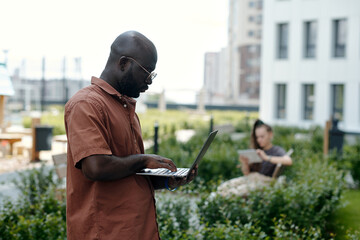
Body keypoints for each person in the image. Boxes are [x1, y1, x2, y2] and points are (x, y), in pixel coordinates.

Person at [64, 31, 196, 240]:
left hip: (136, 230)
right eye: (147, 72)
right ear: (124, 63)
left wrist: (167, 180)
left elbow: (129, 173)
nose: (149, 81)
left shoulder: (124, 107)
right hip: (106, 232)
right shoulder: (87, 104)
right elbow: (96, 167)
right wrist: (143, 159)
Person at [216, 119, 292, 197]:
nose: (259, 140)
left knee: (234, 192)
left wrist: (266, 157)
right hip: (250, 178)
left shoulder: (276, 150)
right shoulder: (256, 151)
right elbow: (246, 173)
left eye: (262, 137)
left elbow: (288, 161)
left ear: (270, 134)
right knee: (222, 188)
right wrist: (244, 163)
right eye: (257, 137)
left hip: (263, 181)